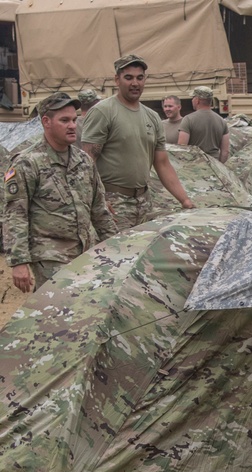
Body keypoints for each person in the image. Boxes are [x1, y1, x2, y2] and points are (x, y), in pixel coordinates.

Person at [3, 92, 117, 293]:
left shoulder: (83, 161)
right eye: (64, 120)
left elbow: (99, 210)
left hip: (85, 252)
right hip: (50, 255)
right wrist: (19, 262)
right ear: (46, 121)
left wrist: (117, 245)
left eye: (74, 120)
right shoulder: (28, 162)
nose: (73, 125)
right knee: (56, 315)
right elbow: (15, 215)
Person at [82, 55, 193, 229]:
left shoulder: (152, 117)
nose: (135, 83)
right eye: (129, 78)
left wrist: (185, 200)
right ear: (117, 80)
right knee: (115, 255)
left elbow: (162, 163)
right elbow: (88, 163)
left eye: (140, 78)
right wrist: (100, 200)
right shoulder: (103, 112)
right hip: (113, 203)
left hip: (144, 202)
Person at [178, 86, 230, 163]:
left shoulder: (188, 119)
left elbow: (181, 148)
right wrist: (220, 166)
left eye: (193, 98)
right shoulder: (222, 121)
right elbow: (225, 152)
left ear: (197, 100)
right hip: (215, 166)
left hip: (195, 166)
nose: (192, 100)